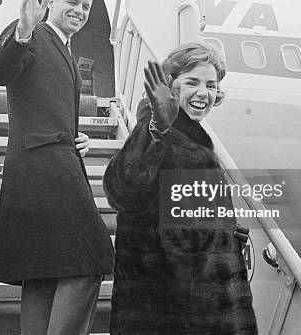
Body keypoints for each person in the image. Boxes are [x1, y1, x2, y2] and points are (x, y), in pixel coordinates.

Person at [0, 0, 114, 335]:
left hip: (48, 162)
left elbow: (43, 103)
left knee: (42, 272)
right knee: (89, 260)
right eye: (72, 2)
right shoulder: (34, 33)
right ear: (50, 2)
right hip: (44, 169)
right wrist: (22, 29)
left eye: (86, 6)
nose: (80, 11)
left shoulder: (64, 47)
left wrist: (75, 137)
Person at [103, 43, 258, 334]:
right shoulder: (158, 132)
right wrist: (157, 130)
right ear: (170, 86)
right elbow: (123, 188)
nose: (204, 93)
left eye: (211, 85)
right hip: (172, 314)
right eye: (192, 82)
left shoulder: (193, 142)